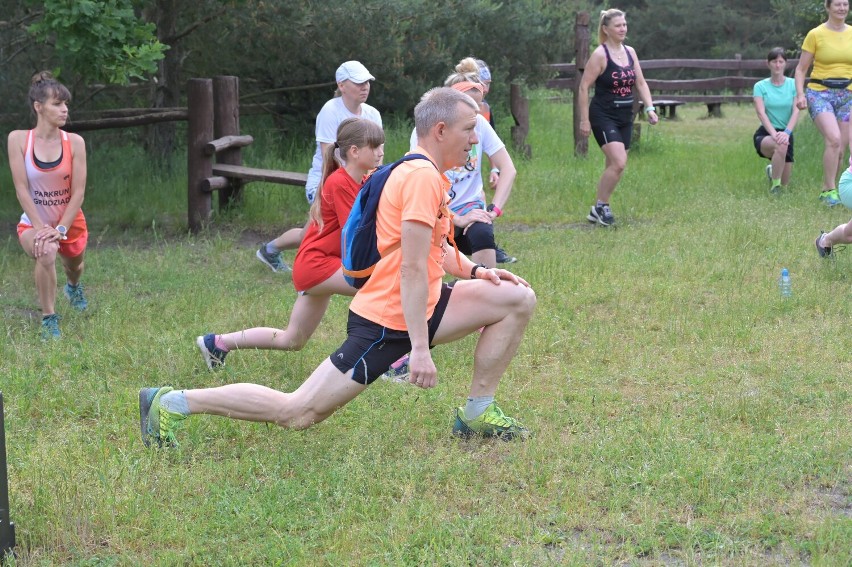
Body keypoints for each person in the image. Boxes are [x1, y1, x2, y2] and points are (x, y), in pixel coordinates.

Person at [139, 87, 537, 447]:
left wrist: (477, 272)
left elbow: (438, 249)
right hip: (388, 321)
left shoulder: (427, 172)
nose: (476, 138)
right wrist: (418, 350)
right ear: (440, 130)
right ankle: (171, 402)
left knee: (517, 298)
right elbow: (411, 269)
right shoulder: (420, 179)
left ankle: (477, 412)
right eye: (470, 129)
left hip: (424, 306)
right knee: (298, 412)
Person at [196, 118, 384, 368]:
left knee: (292, 340)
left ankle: (217, 343)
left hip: (325, 263)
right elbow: (358, 233)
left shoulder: (361, 180)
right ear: (354, 151)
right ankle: (395, 360)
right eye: (375, 146)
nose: (381, 152)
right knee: (383, 286)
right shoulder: (340, 183)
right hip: (318, 264)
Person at [256, 61, 382, 272]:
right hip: (326, 181)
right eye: (359, 82)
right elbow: (329, 156)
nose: (365, 87)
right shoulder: (330, 111)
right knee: (321, 233)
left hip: (358, 181)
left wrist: (374, 183)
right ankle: (312, 268)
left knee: (310, 233)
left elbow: (376, 155)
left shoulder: (372, 114)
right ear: (341, 85)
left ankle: (272, 251)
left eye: (367, 82)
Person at [8, 71, 89, 339]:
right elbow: (21, 188)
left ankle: (73, 286)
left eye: (66, 104)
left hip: (70, 221)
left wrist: (62, 228)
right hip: (34, 221)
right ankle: (49, 318)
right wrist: (42, 227)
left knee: (74, 266)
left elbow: (78, 192)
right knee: (45, 251)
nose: (65, 109)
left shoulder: (75, 142)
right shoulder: (18, 139)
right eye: (57, 104)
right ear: (38, 107)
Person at [578, 9, 658, 227]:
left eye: (624, 25)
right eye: (618, 26)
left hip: (625, 116)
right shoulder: (600, 55)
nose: (623, 29)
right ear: (606, 29)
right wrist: (584, 120)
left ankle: (598, 209)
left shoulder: (630, 52)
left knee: (613, 165)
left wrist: (649, 107)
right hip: (603, 115)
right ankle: (602, 206)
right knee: (619, 162)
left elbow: (640, 83)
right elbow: (584, 87)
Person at [794, 0, 852, 207]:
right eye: (837, 4)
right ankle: (828, 190)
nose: (842, 8)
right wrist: (800, 94)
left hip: (847, 95)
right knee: (834, 139)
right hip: (820, 93)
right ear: (828, 7)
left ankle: (833, 189)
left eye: (845, 4)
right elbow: (801, 69)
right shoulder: (816, 34)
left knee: (841, 149)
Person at [475, 57, 516, 264]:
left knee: (479, 198)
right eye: (483, 84)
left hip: (471, 164)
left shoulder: (485, 109)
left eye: (489, 84)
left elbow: (491, 144)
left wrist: (495, 170)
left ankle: (488, 245)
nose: (486, 89)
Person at [753, 47, 800, 194]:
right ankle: (775, 187)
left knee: (786, 183)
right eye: (774, 61)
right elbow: (761, 113)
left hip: (786, 132)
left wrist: (786, 132)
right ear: (768, 64)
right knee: (780, 144)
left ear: (786, 64)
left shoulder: (793, 84)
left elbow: (796, 110)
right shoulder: (760, 86)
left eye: (781, 61)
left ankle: (773, 172)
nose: (778, 65)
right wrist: (774, 134)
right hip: (766, 133)